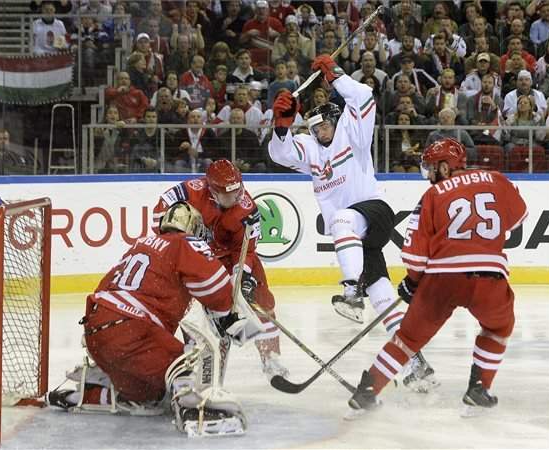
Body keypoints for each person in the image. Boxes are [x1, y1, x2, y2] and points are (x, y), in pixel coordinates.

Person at [268, 54, 437, 392]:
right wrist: (281, 127)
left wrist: (337, 76)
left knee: (341, 220)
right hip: (356, 235)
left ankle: (350, 291)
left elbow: (362, 97)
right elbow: (279, 154)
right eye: (314, 128)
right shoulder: (310, 147)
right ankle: (418, 363)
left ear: (335, 119)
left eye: (324, 125)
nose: (320, 132)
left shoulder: (351, 130)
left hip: (374, 211)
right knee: (383, 295)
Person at [347, 138, 528, 417]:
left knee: (407, 339)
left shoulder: (433, 196)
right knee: (498, 328)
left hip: (443, 277)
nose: (429, 175)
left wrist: (414, 281)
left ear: (445, 167)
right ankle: (479, 388)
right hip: (489, 277)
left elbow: (415, 254)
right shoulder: (496, 179)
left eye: (431, 168)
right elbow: (519, 217)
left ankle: (368, 390)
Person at [47, 202, 252, 436]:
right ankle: (195, 411)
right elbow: (213, 283)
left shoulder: (141, 245)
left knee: (150, 397)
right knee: (184, 363)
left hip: (98, 331)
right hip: (131, 329)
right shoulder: (183, 242)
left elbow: (107, 287)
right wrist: (227, 312)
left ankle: (86, 393)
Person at [152, 160, 289, 381]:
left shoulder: (246, 209)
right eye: (229, 196)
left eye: (238, 192)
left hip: (227, 257)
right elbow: (159, 212)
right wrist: (179, 237)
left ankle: (270, 356)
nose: (236, 198)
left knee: (260, 301)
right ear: (213, 192)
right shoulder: (192, 190)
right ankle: (195, 357)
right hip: (193, 256)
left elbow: (247, 250)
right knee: (190, 312)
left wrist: (242, 276)